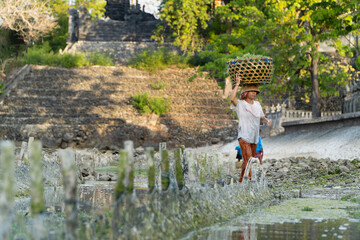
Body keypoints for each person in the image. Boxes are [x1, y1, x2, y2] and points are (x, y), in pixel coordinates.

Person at [230, 75, 271, 182]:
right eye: (251, 91)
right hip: (244, 136)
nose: (254, 93)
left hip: (254, 137)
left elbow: (262, 117)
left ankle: (240, 182)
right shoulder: (241, 104)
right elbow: (232, 98)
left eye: (255, 91)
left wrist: (267, 121)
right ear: (246, 93)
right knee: (248, 159)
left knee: (247, 161)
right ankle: (250, 182)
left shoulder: (257, 105)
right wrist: (237, 84)